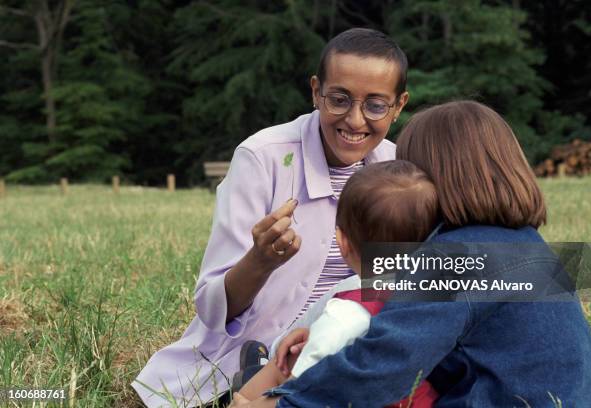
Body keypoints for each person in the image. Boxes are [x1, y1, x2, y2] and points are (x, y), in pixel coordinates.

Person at [244, 101, 591, 407]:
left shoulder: (454, 258)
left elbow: (384, 364)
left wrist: (284, 401)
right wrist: (322, 331)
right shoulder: (523, 246)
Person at [132, 27, 410, 407]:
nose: (355, 120)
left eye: (376, 105)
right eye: (339, 99)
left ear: (399, 106)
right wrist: (258, 262)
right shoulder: (262, 157)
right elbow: (212, 309)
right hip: (237, 366)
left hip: (340, 358)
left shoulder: (401, 172)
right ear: (316, 92)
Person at [230, 161, 440, 408]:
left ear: (342, 241)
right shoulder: (434, 295)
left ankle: (240, 400)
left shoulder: (347, 311)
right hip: (420, 399)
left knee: (283, 365)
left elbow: (304, 390)